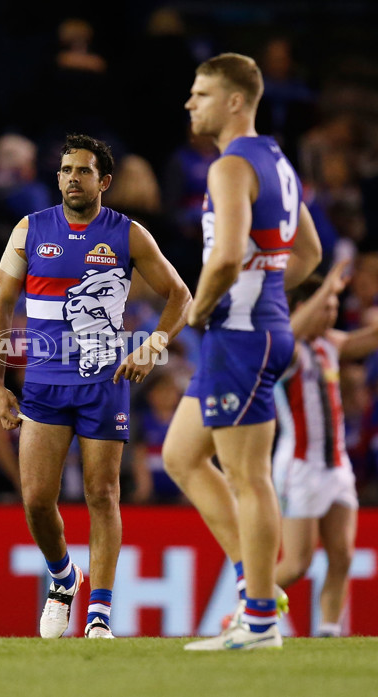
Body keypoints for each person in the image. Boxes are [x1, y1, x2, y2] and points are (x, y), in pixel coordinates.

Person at [0, 133, 191, 639]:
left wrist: (151, 346)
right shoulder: (30, 230)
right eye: (64, 170)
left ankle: (99, 615)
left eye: (82, 170)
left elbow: (180, 296)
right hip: (44, 382)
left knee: (103, 494)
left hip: (104, 381)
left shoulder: (128, 234)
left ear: (104, 181)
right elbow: (1, 306)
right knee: (36, 498)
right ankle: (63, 577)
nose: (71, 178)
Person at [162, 53, 322, 650]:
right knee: (182, 455)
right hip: (254, 329)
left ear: (234, 101)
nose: (190, 104)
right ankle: (255, 586)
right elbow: (307, 251)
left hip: (240, 335)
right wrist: (268, 289)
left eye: (200, 94)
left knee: (248, 476)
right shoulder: (275, 160)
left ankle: (258, 621)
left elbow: (226, 257)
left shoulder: (230, 167)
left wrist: (198, 311)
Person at [273, 261, 373, 637]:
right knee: (297, 563)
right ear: (299, 308)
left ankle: (330, 632)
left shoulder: (328, 346)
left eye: (333, 306)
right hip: (299, 467)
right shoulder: (286, 349)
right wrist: (325, 286)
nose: (331, 312)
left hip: (336, 466)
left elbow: (367, 338)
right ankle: (246, 609)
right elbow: (290, 333)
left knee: (342, 556)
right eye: (324, 305)